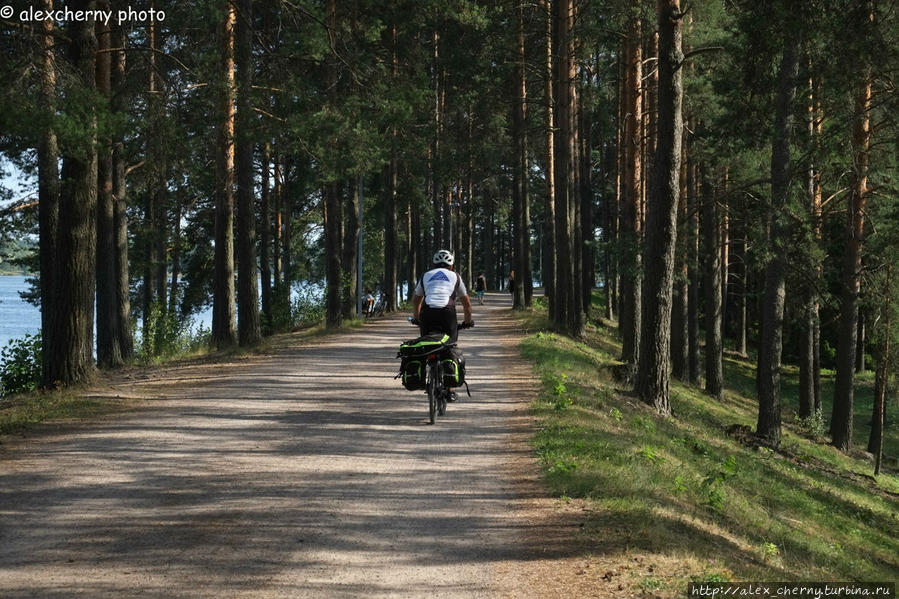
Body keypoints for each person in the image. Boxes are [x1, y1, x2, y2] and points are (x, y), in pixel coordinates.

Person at [412, 249, 473, 343]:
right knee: (450, 343)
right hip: (447, 312)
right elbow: (467, 303)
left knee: (425, 343)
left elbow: (416, 301)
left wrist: (417, 319)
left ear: (434, 264)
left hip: (427, 312)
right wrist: (467, 322)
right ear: (451, 266)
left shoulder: (425, 275)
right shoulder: (455, 276)